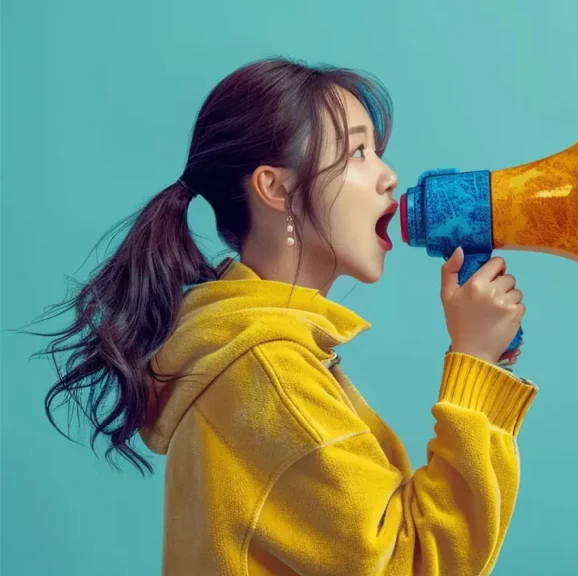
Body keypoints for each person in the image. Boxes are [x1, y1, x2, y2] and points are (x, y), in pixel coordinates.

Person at [35, 57, 536, 576]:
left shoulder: (248, 355)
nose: (389, 177)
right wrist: (473, 364)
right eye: (358, 151)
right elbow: (413, 563)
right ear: (276, 188)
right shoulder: (270, 374)